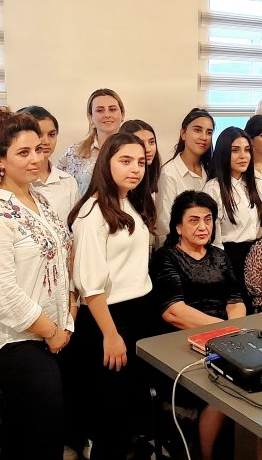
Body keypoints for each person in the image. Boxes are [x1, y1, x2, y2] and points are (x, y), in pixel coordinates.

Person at [0, 107, 74, 459]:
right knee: (40, 436)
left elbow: (62, 262)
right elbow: (4, 293)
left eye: (38, 150)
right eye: (23, 153)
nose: (35, 159)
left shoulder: (40, 200)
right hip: (15, 339)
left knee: (33, 434)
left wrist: (67, 318)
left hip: (52, 330)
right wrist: (51, 331)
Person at [68, 133, 156, 460]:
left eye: (140, 162)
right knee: (111, 413)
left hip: (137, 311)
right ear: (106, 163)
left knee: (129, 408)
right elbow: (89, 286)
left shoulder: (127, 200)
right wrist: (111, 334)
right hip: (109, 317)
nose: (135, 169)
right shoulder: (92, 213)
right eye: (125, 161)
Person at [150, 191, 245, 460]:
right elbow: (174, 312)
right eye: (193, 220)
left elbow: (235, 300)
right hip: (180, 342)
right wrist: (223, 330)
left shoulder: (219, 256)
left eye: (208, 219)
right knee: (226, 389)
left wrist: (234, 332)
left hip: (224, 339)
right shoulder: (166, 257)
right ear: (178, 227)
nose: (203, 226)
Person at [202, 127, 262, 310]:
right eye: (235, 150)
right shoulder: (214, 188)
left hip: (257, 256)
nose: (243, 156)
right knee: (237, 310)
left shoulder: (260, 183)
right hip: (228, 258)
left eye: (247, 150)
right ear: (224, 153)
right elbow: (213, 238)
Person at [156, 108, 214, 244]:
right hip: (177, 248)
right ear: (183, 133)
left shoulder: (210, 171)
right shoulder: (169, 173)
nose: (204, 137)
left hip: (205, 247)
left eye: (209, 132)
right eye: (197, 130)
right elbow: (165, 224)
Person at [57, 88, 125, 196]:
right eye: (100, 110)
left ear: (122, 114)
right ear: (90, 117)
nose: (107, 115)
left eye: (112, 109)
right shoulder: (75, 152)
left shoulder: (136, 150)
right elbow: (58, 189)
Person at [17, 105, 78, 222]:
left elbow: (73, 226)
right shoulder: (16, 182)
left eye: (51, 134)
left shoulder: (68, 181)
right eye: (39, 134)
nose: (46, 141)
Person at [120, 119, 161, 196]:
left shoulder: (155, 175)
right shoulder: (124, 181)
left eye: (151, 142)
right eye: (141, 143)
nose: (148, 149)